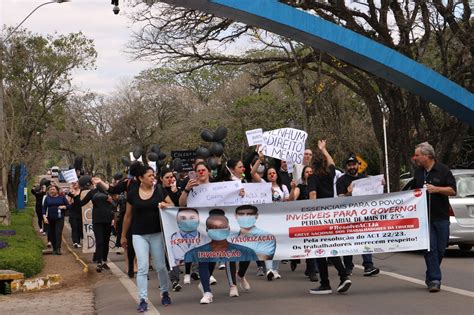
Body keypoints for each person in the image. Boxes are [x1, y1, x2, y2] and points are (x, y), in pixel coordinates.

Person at [121, 164, 175, 311]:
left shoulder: (159, 191)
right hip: (138, 235)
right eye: (150, 176)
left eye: (153, 175)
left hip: (156, 233)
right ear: (140, 178)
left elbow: (173, 206)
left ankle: (164, 293)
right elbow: (128, 216)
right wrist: (123, 236)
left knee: (160, 266)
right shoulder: (132, 194)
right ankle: (143, 299)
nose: (153, 178)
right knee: (143, 267)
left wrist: (165, 204)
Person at [184, 209, 258, 304]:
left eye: (221, 225)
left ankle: (240, 276)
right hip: (209, 247)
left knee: (244, 255)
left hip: (229, 245)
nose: (218, 228)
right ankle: (207, 291)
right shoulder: (203, 234)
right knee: (204, 261)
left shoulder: (234, 232)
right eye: (213, 226)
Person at [307, 140, 352, 294]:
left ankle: (335, 279)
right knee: (325, 249)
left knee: (322, 249)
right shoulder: (329, 174)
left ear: (313, 165)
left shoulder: (313, 177)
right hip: (329, 214)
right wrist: (324, 149)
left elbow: (313, 194)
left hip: (319, 215)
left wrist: (312, 213)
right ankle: (335, 279)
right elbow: (332, 163)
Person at [412, 142, 456, 293]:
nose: (415, 158)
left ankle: (430, 274)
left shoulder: (443, 170)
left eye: (417, 155)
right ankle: (435, 280)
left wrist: (436, 189)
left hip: (442, 216)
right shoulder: (418, 172)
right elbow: (412, 192)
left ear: (427, 156)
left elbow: (452, 190)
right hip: (425, 218)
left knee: (440, 249)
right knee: (430, 248)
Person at [336, 153, 380, 277]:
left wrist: (379, 183)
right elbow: (340, 198)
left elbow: (373, 193)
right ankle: (348, 266)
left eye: (354, 164)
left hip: (364, 214)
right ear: (346, 167)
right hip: (348, 215)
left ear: (358, 165)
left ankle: (368, 265)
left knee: (365, 238)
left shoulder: (365, 179)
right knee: (349, 240)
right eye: (349, 165)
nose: (352, 167)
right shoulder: (341, 181)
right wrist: (349, 193)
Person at [251, 149, 289, 280]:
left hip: (280, 219)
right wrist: (259, 160)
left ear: (277, 175)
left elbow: (288, 202)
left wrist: (294, 188)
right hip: (267, 219)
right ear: (267, 176)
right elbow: (252, 172)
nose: (272, 175)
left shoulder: (283, 188)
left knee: (279, 245)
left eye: (273, 173)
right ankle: (269, 270)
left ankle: (275, 269)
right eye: (269, 173)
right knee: (267, 244)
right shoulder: (263, 185)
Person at [71, 176, 116, 272]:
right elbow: (81, 204)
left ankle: (104, 261)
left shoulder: (108, 191)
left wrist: (111, 201)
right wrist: (76, 195)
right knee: (99, 241)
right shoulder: (92, 193)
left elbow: (116, 204)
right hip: (97, 220)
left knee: (106, 241)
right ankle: (99, 262)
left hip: (108, 219)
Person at [230, 204, 276, 291]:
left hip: (249, 252)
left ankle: (241, 275)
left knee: (246, 258)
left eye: (250, 214)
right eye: (241, 214)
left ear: (256, 216)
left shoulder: (266, 236)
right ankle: (233, 285)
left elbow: (262, 256)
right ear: (235, 216)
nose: (245, 217)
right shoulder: (230, 235)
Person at [289, 165, 319, 282]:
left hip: (314, 219)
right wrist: (292, 188)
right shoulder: (300, 187)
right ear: (303, 174)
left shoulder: (317, 186)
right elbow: (292, 199)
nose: (309, 173)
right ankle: (295, 259)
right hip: (301, 219)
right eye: (307, 172)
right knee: (302, 245)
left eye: (311, 171)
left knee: (311, 244)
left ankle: (311, 270)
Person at [169, 207, 203, 290]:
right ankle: (174, 281)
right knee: (173, 258)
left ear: (199, 220)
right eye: (183, 218)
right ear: (177, 221)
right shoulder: (171, 237)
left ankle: (200, 273)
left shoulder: (202, 236)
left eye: (192, 218)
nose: (187, 221)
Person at [42, 184, 70, 255]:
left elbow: (69, 205)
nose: (52, 191)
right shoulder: (47, 198)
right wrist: (44, 218)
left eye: (53, 189)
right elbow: (44, 209)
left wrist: (64, 206)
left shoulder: (62, 197)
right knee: (51, 233)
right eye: (50, 189)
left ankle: (58, 248)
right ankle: (54, 248)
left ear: (57, 190)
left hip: (60, 218)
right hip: (50, 218)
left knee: (58, 232)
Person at [67, 182, 83, 248]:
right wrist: (71, 194)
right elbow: (68, 202)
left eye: (76, 183)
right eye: (73, 183)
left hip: (81, 212)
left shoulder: (82, 191)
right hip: (73, 212)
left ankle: (78, 241)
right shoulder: (71, 192)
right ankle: (75, 242)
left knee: (79, 227)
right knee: (74, 226)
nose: (75, 184)